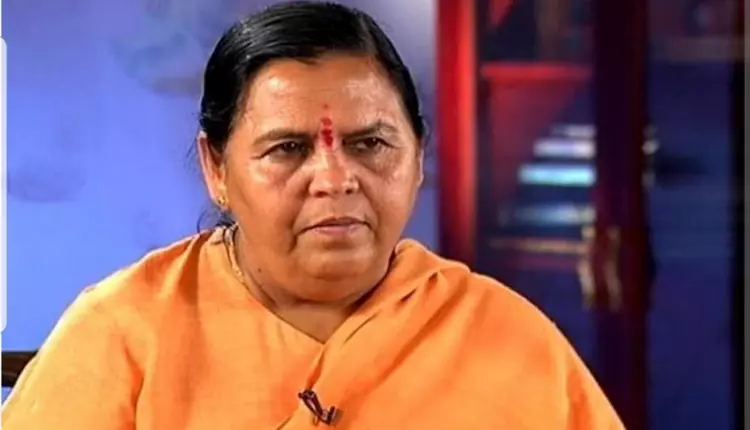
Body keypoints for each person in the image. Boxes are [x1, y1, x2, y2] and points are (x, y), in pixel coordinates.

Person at [2, 2, 624, 429]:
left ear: (418, 156)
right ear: (216, 168)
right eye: (288, 149)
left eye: (370, 144)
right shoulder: (122, 334)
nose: (333, 180)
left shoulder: (505, 337)